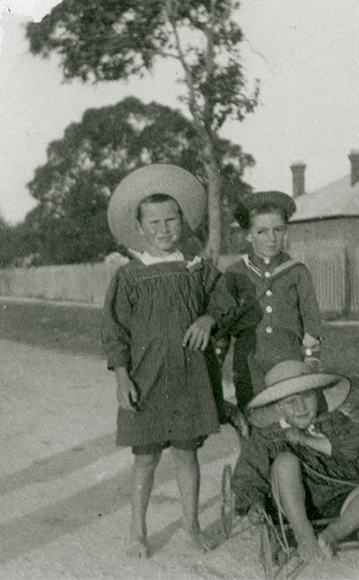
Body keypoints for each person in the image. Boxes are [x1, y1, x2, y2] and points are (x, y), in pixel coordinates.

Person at [101, 164, 234, 558]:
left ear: (183, 221)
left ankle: (191, 528)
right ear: (140, 228)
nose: (164, 229)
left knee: (187, 454)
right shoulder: (129, 277)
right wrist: (123, 378)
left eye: (171, 219)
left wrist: (209, 318)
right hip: (147, 378)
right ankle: (137, 532)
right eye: (154, 222)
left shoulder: (198, 269)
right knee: (145, 459)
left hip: (190, 377)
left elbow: (224, 303)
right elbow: (114, 331)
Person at [231, 360, 359, 563]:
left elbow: (349, 449)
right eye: (291, 402)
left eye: (307, 396)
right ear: (279, 407)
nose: (301, 407)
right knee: (286, 462)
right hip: (293, 509)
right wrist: (255, 503)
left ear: (317, 395)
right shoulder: (267, 437)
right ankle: (303, 534)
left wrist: (305, 438)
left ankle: (331, 535)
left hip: (341, 504)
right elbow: (249, 475)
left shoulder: (335, 422)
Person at [216, 191, 322, 422]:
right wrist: (216, 363)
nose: (271, 238)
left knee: (292, 419)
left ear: (285, 231)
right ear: (249, 235)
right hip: (249, 360)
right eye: (261, 232)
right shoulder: (235, 273)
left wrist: (311, 359)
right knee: (254, 418)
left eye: (278, 230)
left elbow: (311, 319)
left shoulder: (297, 271)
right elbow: (221, 323)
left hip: (289, 358)